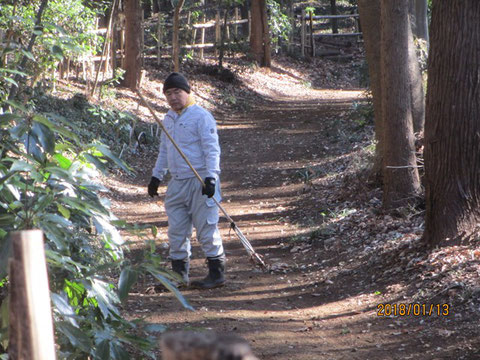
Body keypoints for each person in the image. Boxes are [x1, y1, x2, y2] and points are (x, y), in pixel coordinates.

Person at [148, 72, 225, 289]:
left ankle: (216, 273)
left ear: (187, 92)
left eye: (177, 92)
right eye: (168, 93)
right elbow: (164, 150)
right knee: (177, 230)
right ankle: (179, 276)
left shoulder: (201, 117)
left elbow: (212, 150)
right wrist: (156, 175)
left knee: (206, 229)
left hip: (200, 180)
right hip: (177, 182)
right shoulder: (168, 118)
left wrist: (211, 178)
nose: (173, 97)